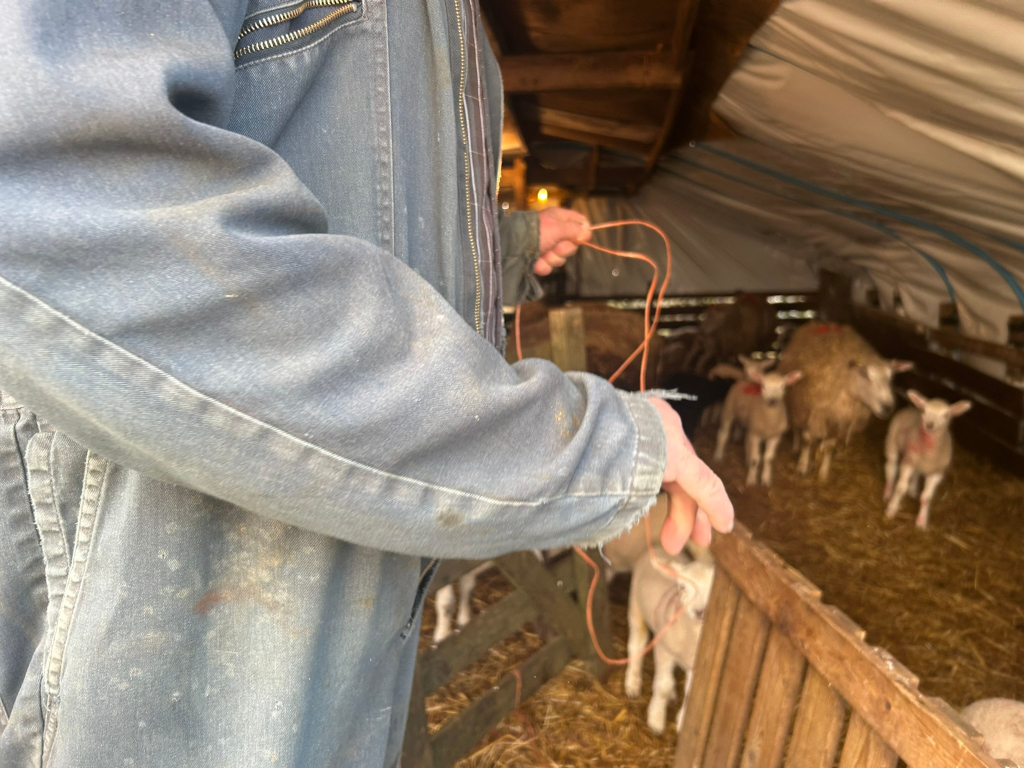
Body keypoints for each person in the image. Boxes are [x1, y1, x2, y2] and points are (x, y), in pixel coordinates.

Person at [0, 1, 734, 767]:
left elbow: (360, 210)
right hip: (179, 649)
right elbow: (55, 204)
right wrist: (579, 445)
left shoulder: (452, 29)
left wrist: (506, 242)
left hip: (341, 643)